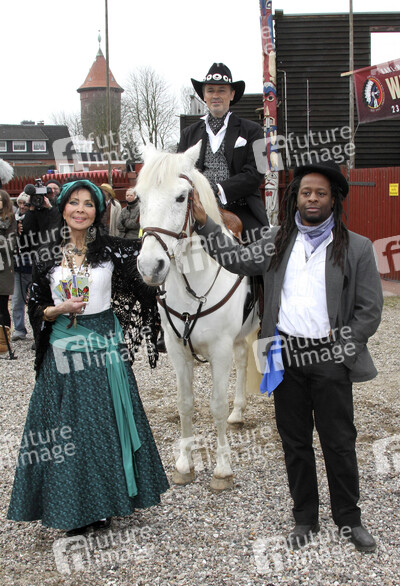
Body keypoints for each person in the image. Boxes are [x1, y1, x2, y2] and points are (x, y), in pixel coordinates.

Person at [192, 158, 383, 553]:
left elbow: (369, 310)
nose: (312, 198)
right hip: (284, 354)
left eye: (321, 193)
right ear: (295, 197)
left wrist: (343, 346)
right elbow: (236, 260)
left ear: (333, 200)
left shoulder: (358, 247)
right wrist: (205, 224)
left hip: (330, 358)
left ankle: (349, 519)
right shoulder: (276, 240)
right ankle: (305, 518)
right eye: (306, 192)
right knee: (295, 442)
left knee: (339, 441)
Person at [7, 179, 169, 536]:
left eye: (88, 204)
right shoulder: (46, 255)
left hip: (104, 350)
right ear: (63, 208)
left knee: (101, 429)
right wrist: (57, 310)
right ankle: (70, 507)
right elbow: (36, 306)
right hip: (62, 351)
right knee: (65, 434)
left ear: (97, 211)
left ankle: (104, 503)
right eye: (74, 202)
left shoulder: (113, 251)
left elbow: (153, 258)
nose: (80, 209)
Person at [178, 62, 268, 243]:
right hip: (197, 209)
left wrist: (219, 189)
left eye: (221, 90)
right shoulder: (188, 133)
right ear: (204, 95)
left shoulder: (254, 130)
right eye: (210, 91)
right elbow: (179, 173)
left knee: (263, 249)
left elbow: (258, 172)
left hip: (241, 208)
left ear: (232, 94)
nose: (215, 95)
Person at [11, 193, 32, 341]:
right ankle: (19, 329)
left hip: (32, 265)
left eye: (25, 203)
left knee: (33, 301)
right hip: (17, 265)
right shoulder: (12, 219)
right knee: (17, 300)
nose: (22, 206)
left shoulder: (34, 218)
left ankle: (36, 330)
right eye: (20, 203)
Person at [0, 190, 17, 346]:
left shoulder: (10, 220)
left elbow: (10, 245)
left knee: (2, 306)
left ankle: (4, 342)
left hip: (3, 269)